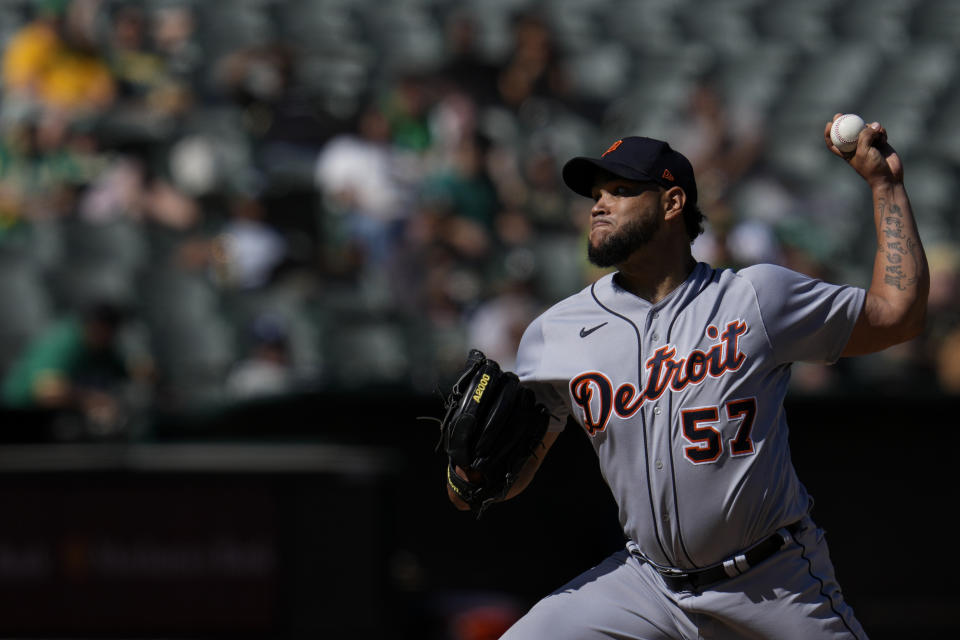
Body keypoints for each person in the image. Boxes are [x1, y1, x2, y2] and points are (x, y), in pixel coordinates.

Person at [446, 115, 928, 639]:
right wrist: (468, 479)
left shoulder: (756, 298)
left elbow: (898, 315)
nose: (599, 205)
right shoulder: (555, 334)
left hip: (772, 581)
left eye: (621, 190)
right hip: (648, 586)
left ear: (672, 204)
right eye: (596, 194)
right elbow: (508, 475)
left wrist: (886, 185)